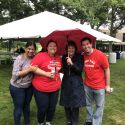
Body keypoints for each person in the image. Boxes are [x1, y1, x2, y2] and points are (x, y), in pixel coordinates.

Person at [81, 37, 111, 125]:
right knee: (88, 104)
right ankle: (89, 120)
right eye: (83, 45)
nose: (86, 46)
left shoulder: (101, 55)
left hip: (99, 87)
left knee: (99, 106)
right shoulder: (83, 55)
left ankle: (96, 123)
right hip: (87, 85)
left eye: (87, 44)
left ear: (91, 44)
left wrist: (107, 85)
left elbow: (107, 69)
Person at [31, 40, 62, 125]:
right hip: (41, 87)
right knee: (43, 107)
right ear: (47, 47)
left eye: (55, 46)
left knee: (52, 107)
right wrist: (46, 74)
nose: (53, 47)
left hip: (55, 87)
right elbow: (33, 68)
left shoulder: (58, 57)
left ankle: (48, 121)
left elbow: (60, 70)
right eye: (51, 46)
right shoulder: (40, 56)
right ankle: (40, 122)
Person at [9, 42, 37, 125]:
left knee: (26, 106)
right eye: (29, 48)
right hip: (17, 87)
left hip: (28, 86)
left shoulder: (35, 58)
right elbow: (15, 74)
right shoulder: (19, 58)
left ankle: (27, 123)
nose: (31, 51)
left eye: (33, 49)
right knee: (19, 107)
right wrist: (29, 70)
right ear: (25, 48)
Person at [60, 41, 86, 125]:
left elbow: (79, 70)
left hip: (76, 81)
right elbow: (64, 69)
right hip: (66, 80)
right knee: (66, 101)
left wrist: (71, 63)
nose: (70, 49)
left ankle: (74, 121)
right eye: (69, 48)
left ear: (75, 49)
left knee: (75, 102)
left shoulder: (80, 57)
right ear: (67, 49)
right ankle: (69, 120)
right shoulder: (64, 57)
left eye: (72, 48)